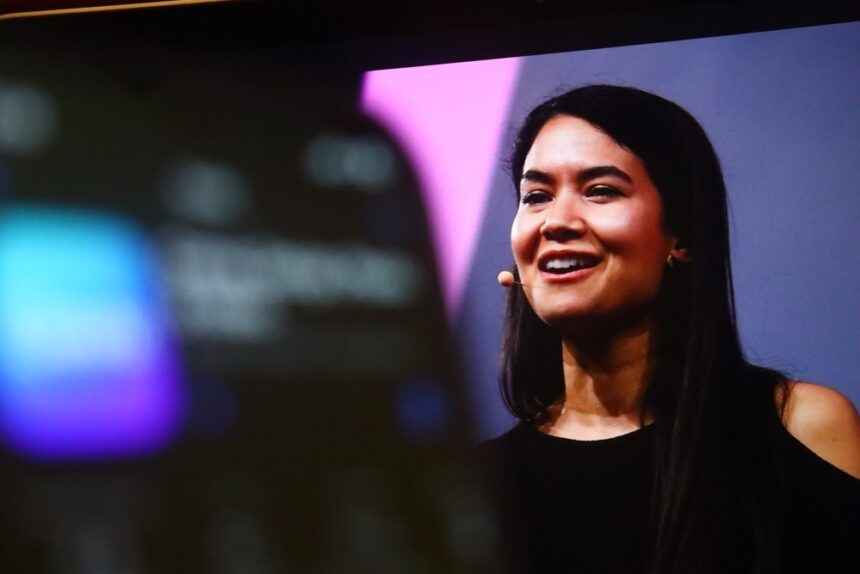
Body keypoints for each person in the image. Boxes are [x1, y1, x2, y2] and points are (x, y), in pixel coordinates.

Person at [483, 85, 860, 574]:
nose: (556, 221)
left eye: (600, 190)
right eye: (536, 196)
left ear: (681, 236)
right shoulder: (474, 486)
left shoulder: (801, 429)